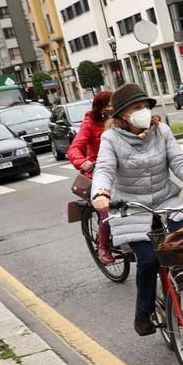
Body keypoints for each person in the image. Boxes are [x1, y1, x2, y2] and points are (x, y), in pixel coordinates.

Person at [89, 84, 183, 336]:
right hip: (130, 207)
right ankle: (143, 311)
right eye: (137, 107)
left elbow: (178, 160)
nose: (143, 111)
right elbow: (104, 169)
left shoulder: (161, 130)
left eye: (145, 106)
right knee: (148, 260)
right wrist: (101, 193)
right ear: (122, 114)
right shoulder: (110, 138)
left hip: (167, 201)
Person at [69, 90, 116, 264]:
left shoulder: (121, 117)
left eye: (114, 103)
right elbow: (74, 149)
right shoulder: (89, 124)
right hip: (98, 172)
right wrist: (82, 162)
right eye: (108, 104)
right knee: (107, 211)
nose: (112, 107)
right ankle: (103, 245)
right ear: (101, 108)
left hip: (119, 168)